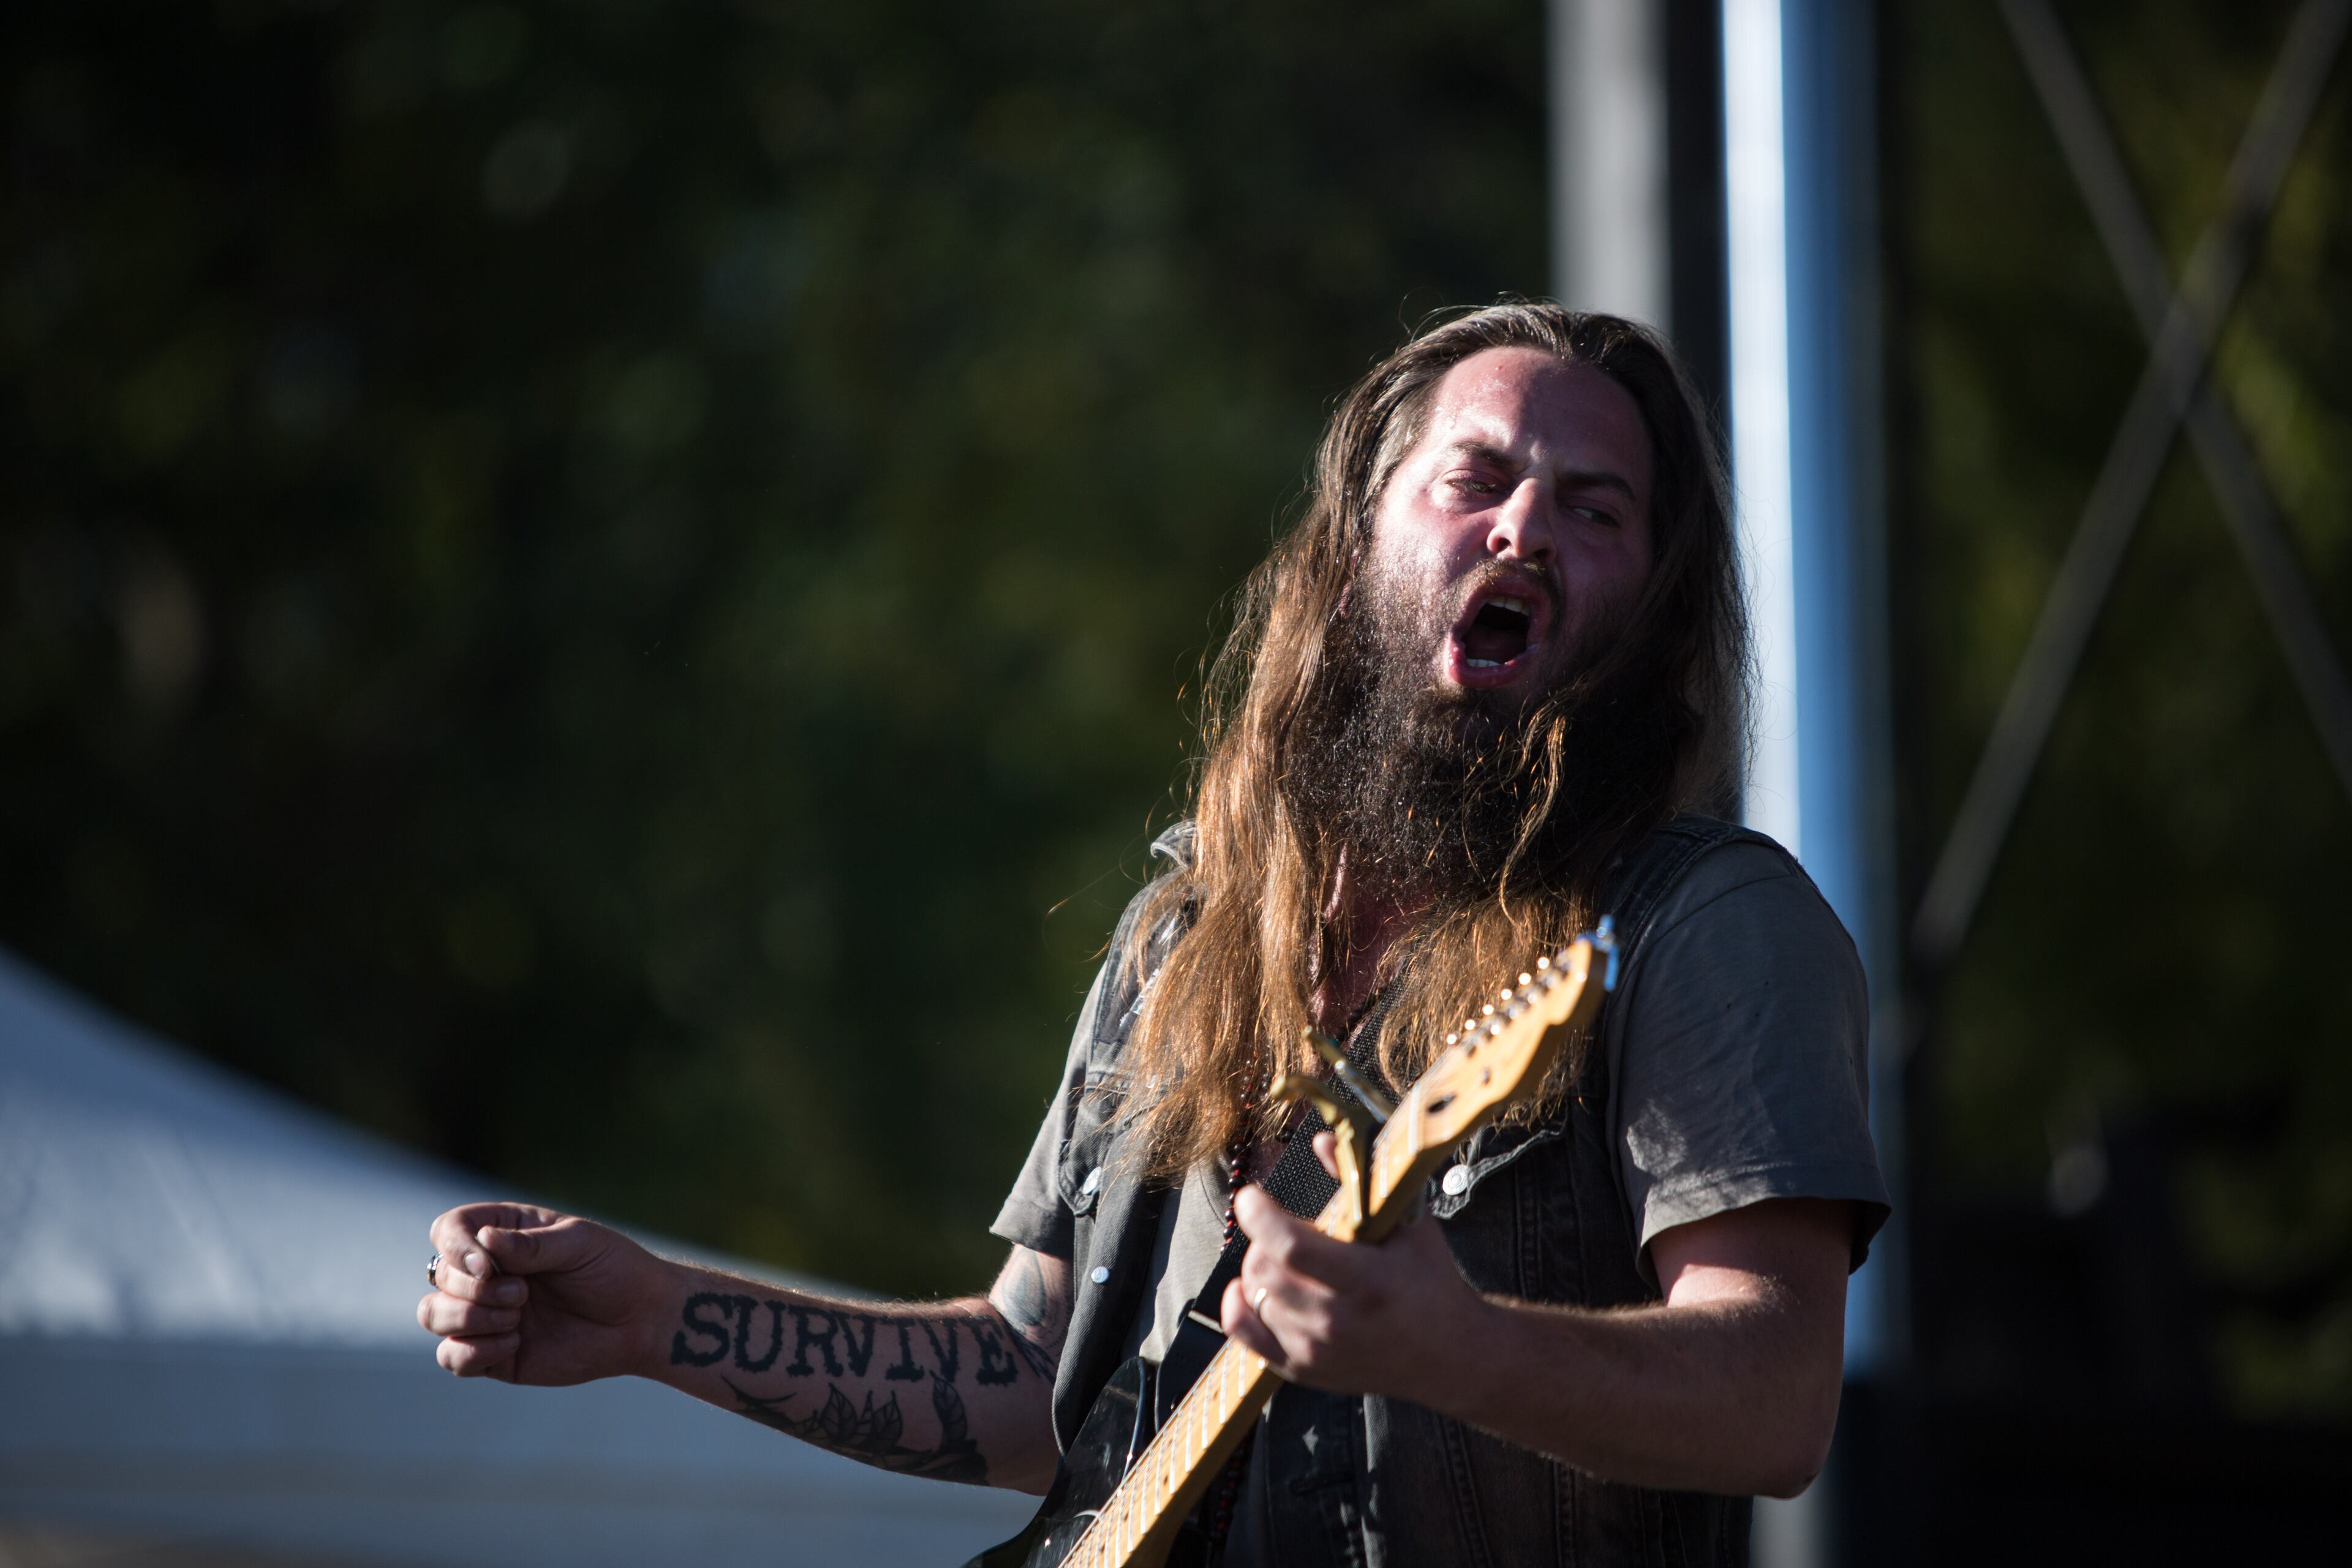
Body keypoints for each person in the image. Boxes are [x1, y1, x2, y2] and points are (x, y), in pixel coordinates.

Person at [421, 303, 1889, 1564]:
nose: (1524, 524)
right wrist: (657, 1317)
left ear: (1651, 602)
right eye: (1479, 477)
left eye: (1595, 507)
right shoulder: (1188, 938)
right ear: (1360, 538)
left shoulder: (1698, 923)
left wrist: (1462, 1346)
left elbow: (1771, 1397)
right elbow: (1022, 1376)